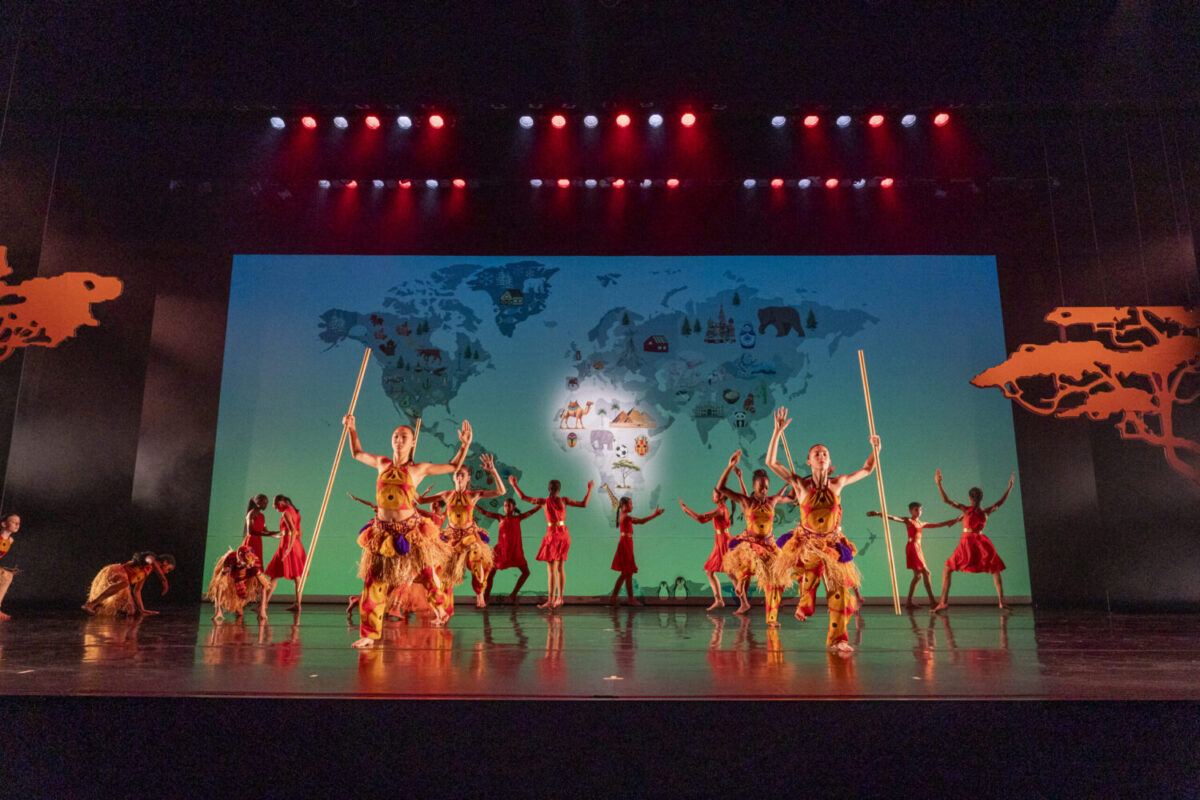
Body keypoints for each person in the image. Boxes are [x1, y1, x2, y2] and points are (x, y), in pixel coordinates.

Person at [344, 413, 471, 647]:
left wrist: (465, 446)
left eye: (404, 436)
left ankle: (439, 606)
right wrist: (352, 429)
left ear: (412, 443)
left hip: (410, 531)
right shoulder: (382, 463)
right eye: (395, 436)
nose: (398, 440)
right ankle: (369, 634)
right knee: (374, 582)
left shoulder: (418, 470)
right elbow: (357, 454)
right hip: (382, 533)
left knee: (426, 574)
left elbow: (453, 466)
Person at [767, 406, 879, 652]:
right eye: (816, 453)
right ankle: (804, 601)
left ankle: (838, 639)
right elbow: (771, 462)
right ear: (809, 461)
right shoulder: (800, 485)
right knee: (811, 564)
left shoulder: (838, 484)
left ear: (829, 463)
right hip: (806, 543)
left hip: (833, 544)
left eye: (824, 453)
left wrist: (875, 449)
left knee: (839, 590)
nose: (821, 455)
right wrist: (777, 432)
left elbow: (867, 469)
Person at [421, 453, 505, 609]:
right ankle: (444, 608)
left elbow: (501, 492)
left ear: (468, 478)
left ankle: (479, 594)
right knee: (445, 572)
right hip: (451, 536)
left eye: (462, 475)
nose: (459, 477)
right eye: (456, 474)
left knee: (477, 559)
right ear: (453, 478)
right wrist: (411, 481)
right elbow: (419, 501)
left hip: (470, 536)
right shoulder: (446, 495)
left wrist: (493, 471)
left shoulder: (473, 495)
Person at [716, 451, 792, 617]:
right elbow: (721, 488)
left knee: (775, 580)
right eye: (760, 488)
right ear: (753, 487)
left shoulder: (773, 500)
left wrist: (792, 480)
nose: (764, 491)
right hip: (751, 543)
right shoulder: (746, 502)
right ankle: (742, 582)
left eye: (766, 487)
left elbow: (793, 497)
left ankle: (772, 618)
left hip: (769, 544)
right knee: (750, 558)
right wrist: (730, 467)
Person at [932, 469, 1015, 612]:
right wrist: (1009, 488)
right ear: (981, 498)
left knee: (947, 570)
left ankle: (943, 602)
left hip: (967, 543)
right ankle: (1001, 602)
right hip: (982, 543)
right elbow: (1000, 502)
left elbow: (946, 500)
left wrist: (938, 483)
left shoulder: (966, 509)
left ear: (970, 498)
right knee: (995, 570)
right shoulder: (985, 512)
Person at [510, 476, 592, 610]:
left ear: (549, 489)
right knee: (560, 568)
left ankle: (551, 600)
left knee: (551, 570)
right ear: (559, 490)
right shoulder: (564, 500)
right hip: (564, 535)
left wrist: (514, 485)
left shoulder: (544, 502)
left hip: (553, 535)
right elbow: (584, 504)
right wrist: (589, 490)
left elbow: (523, 497)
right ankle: (559, 599)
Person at [867, 503, 960, 608]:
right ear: (911, 511)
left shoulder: (921, 523)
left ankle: (909, 602)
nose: (919, 512)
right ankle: (932, 601)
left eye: (920, 510)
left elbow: (937, 525)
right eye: (916, 510)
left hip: (918, 548)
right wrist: (879, 514)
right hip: (912, 548)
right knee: (926, 573)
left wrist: (952, 521)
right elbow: (894, 518)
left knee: (917, 576)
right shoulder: (909, 521)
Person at [679, 477, 742, 611]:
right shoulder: (720, 510)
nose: (712, 496)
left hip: (724, 541)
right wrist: (688, 512)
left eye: (714, 494)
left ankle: (743, 602)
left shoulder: (721, 510)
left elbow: (701, 517)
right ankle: (719, 600)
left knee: (729, 572)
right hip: (719, 541)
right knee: (710, 571)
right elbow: (701, 520)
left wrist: (686, 510)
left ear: (720, 497)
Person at [477, 498, 539, 605]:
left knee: (526, 572)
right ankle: (485, 598)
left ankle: (513, 594)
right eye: (505, 505)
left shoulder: (518, 518)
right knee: (491, 574)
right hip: (502, 551)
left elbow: (531, 512)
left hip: (515, 551)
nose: (506, 507)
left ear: (514, 507)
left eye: (509, 505)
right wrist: (472, 504)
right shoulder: (500, 517)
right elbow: (484, 512)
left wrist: (541, 505)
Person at [609, 496, 665, 606]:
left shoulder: (624, 516)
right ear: (624, 506)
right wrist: (654, 515)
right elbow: (641, 521)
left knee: (626, 574)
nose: (632, 506)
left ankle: (619, 599)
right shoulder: (625, 517)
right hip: (625, 544)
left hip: (627, 543)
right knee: (626, 573)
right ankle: (625, 599)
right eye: (630, 504)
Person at [83, 552, 175, 616]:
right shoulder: (150, 557)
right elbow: (152, 561)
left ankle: (97, 606)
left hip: (122, 582)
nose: (166, 572)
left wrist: (142, 610)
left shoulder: (147, 571)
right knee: (125, 582)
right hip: (116, 571)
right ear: (165, 562)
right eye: (168, 569)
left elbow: (137, 591)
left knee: (131, 610)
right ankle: (91, 604)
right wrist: (164, 580)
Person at [263, 495, 306, 616]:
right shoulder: (296, 513)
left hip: (287, 544)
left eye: (275, 506)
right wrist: (295, 545)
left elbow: (292, 531)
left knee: (275, 574)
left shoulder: (286, 513)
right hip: (296, 544)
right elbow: (299, 532)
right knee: (297, 576)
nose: (275, 508)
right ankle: (298, 603)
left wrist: (288, 548)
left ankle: (264, 603)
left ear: (281, 503)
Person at [206, 544, 270, 622]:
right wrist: (218, 610)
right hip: (233, 576)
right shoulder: (230, 559)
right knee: (224, 586)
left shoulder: (254, 567)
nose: (249, 566)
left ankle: (239, 605)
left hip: (244, 578)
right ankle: (230, 606)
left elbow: (264, 586)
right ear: (240, 561)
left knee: (240, 612)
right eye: (246, 565)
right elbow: (219, 584)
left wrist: (262, 609)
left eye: (250, 565)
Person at [241, 494, 279, 564]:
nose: (265, 505)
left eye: (266, 503)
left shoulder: (262, 516)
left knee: (257, 563)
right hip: (251, 542)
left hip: (258, 542)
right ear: (257, 503)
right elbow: (250, 532)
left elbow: (265, 531)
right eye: (264, 503)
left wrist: (275, 535)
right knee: (250, 563)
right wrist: (268, 534)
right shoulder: (251, 514)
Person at [0, 513, 20, 620]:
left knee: (7, 576)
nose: (17, 524)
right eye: (13, 521)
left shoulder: (10, 541)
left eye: (18, 522)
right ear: (4, 524)